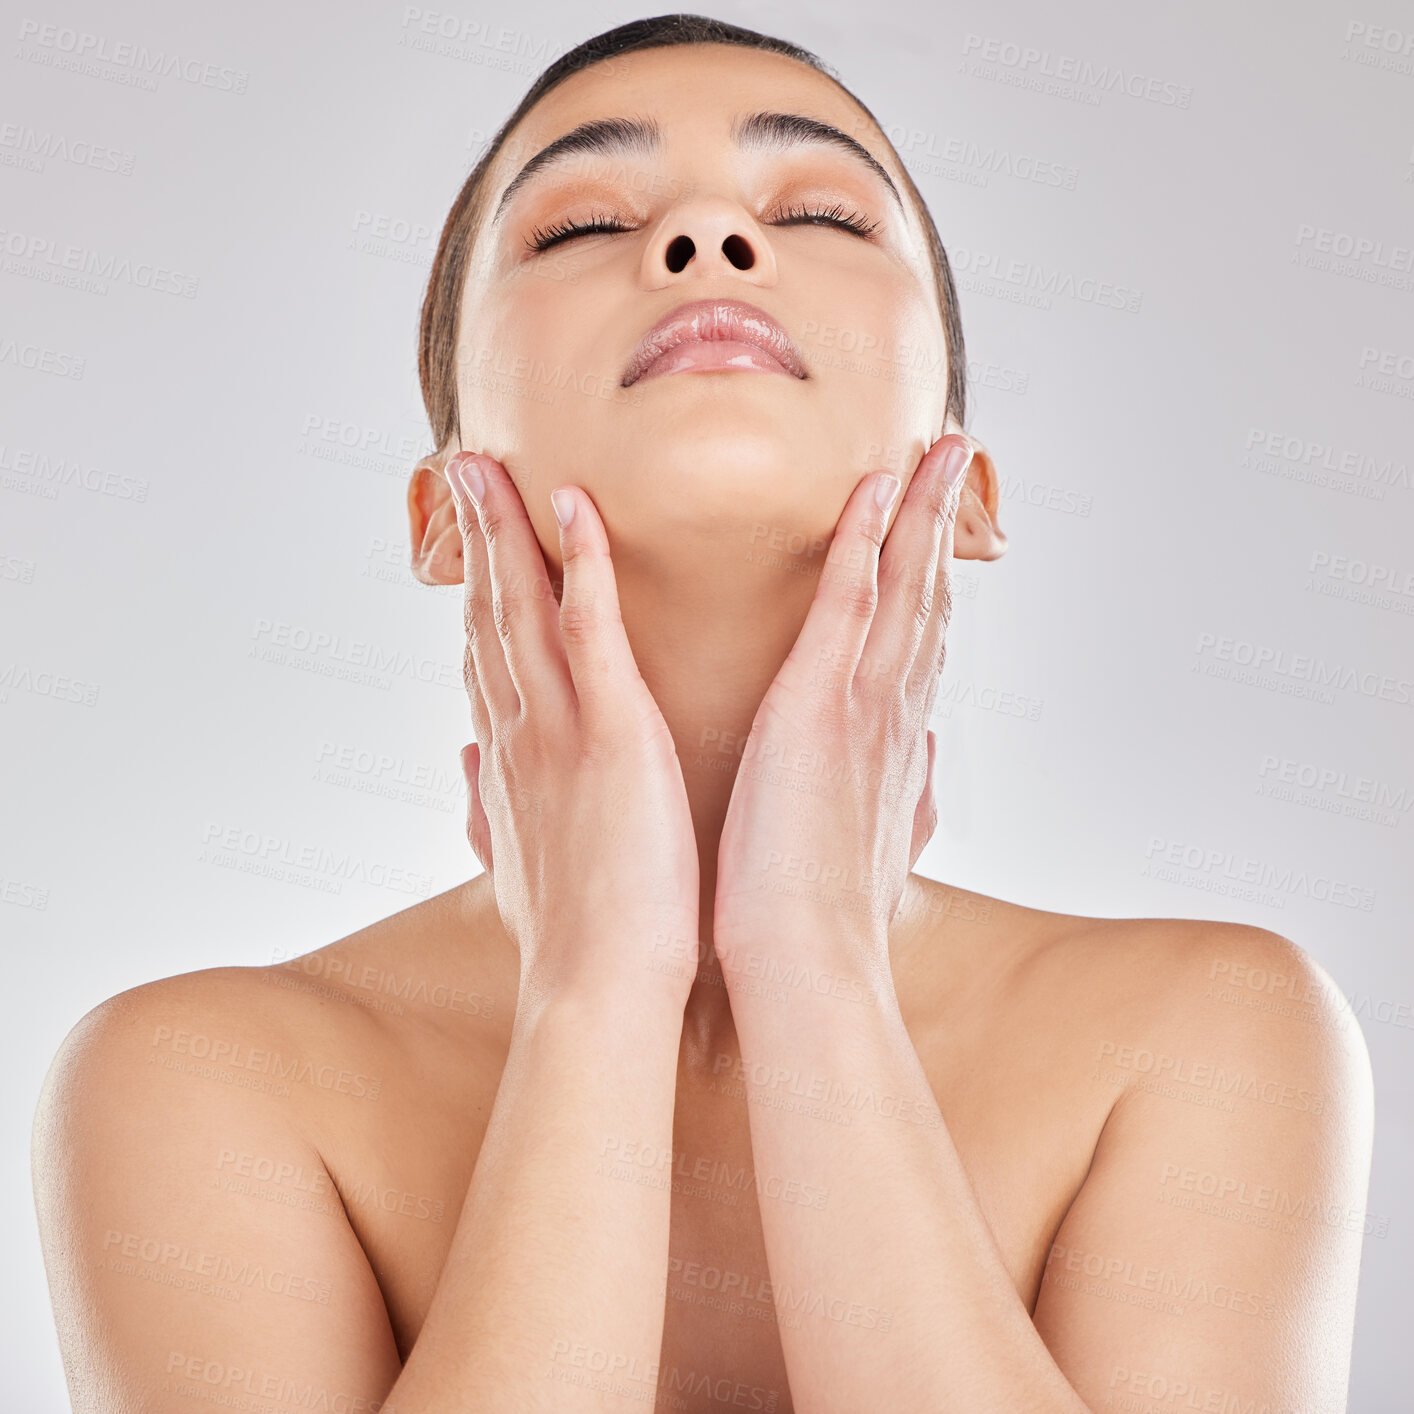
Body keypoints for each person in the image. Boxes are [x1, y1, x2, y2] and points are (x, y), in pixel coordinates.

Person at [32, 15, 1373, 1414]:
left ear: (968, 491)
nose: (708, 241)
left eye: (816, 210)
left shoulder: (1207, 1038)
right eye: (578, 226)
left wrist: (810, 961)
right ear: (440, 515)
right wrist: (595, 988)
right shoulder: (190, 1085)